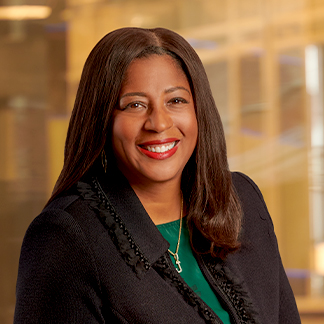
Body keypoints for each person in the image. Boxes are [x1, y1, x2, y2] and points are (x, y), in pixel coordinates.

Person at [14, 27, 301, 324]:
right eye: (135, 105)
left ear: (199, 110)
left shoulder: (241, 200)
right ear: (102, 119)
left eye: (175, 101)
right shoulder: (65, 236)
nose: (159, 123)